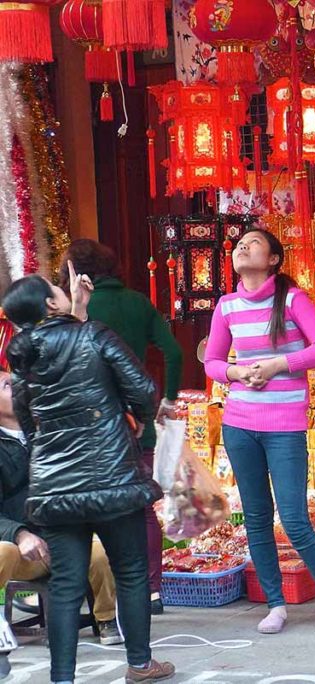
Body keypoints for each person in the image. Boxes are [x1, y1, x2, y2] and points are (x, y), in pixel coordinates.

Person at [2, 272, 174, 683]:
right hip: (111, 475)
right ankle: (139, 664)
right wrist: (128, 417)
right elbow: (145, 390)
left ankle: (62, 678)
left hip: (55, 486)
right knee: (130, 571)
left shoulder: (22, 360)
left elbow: (29, 422)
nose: (63, 290)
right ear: (49, 304)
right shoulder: (95, 336)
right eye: (55, 288)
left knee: (64, 583)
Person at [204, 229, 315, 637]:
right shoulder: (226, 305)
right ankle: (275, 604)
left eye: (253, 243)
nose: (242, 247)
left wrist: (277, 365)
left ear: (273, 259)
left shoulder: (291, 299)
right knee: (255, 518)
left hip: (284, 426)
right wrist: (235, 371)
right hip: (239, 424)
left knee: (294, 520)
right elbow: (212, 361)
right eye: (239, 244)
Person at [58, 239, 183, 614]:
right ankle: (151, 590)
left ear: (74, 273)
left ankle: (100, 597)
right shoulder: (138, 302)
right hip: (135, 419)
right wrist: (168, 400)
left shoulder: (76, 310)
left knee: (86, 505)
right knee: (142, 507)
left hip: (88, 425)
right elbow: (174, 352)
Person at [0, 369, 122, 645]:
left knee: (100, 550)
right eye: (8, 386)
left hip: (60, 541)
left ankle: (105, 619)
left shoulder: (47, 433)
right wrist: (21, 534)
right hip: (20, 549)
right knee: (2, 552)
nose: (18, 388)